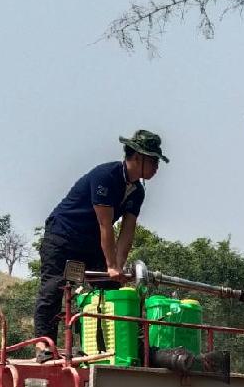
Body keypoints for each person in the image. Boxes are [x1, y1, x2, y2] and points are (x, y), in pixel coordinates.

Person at [33, 129, 168, 360]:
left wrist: (118, 268)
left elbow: (127, 232)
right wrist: (111, 265)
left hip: (91, 242)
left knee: (111, 288)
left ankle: (113, 347)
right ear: (137, 157)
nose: (156, 167)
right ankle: (44, 347)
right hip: (63, 235)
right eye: (153, 160)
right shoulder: (106, 176)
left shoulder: (137, 191)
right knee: (54, 288)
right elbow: (106, 225)